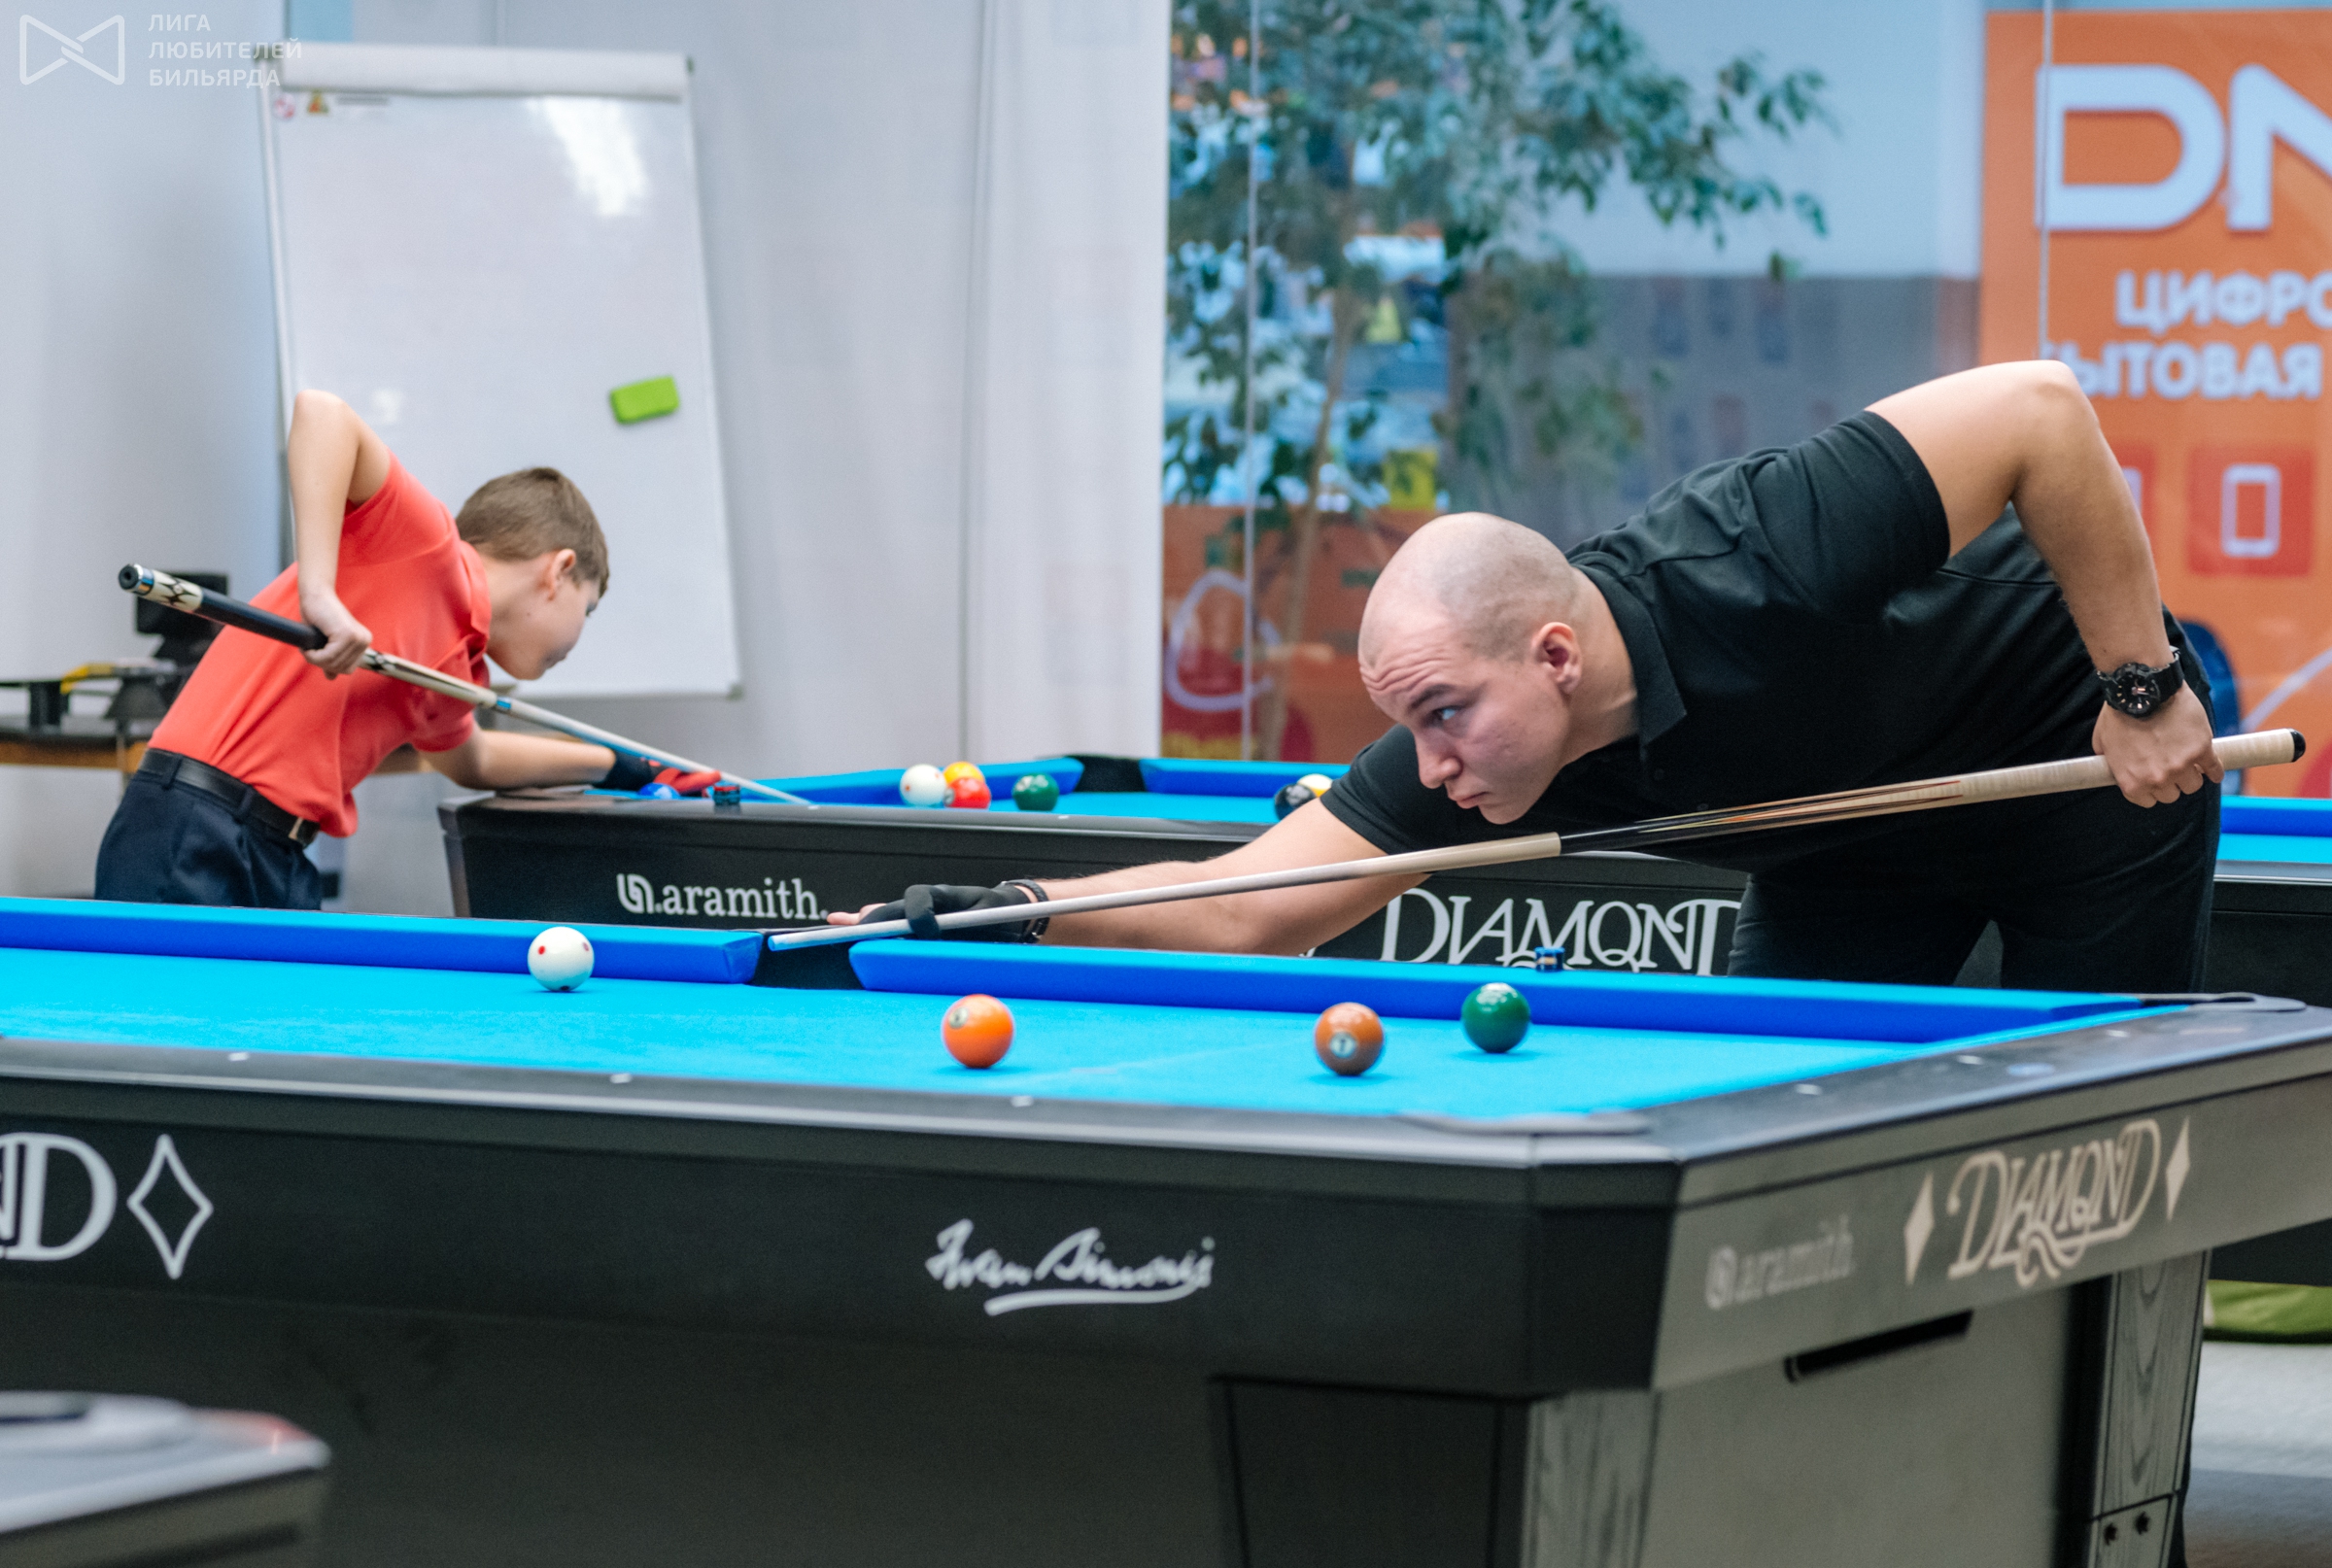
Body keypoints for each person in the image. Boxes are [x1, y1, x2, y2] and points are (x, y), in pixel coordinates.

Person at [835, 360, 2225, 991]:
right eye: (1414, 726)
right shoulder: (1477, 747)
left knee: (2098, 1122)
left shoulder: (1757, 551)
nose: (1431, 763)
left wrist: (2143, 687)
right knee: (1770, 1116)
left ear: (1554, 657)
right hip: (1842, 843)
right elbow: (1247, 906)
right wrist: (990, 916)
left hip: (2077, 778)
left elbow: (2043, 412)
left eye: (1445, 716)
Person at [95, 389, 710, 909]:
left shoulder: (457, 669)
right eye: (589, 607)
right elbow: (322, 413)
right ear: (558, 571)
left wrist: (620, 766)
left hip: (278, 852)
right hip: (193, 826)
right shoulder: (426, 549)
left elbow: (476, 761)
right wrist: (318, 594)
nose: (579, 637)